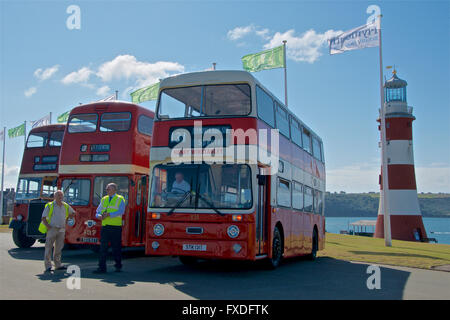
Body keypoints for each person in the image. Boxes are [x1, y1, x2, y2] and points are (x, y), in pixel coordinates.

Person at [40, 190, 76, 273]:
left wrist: (69, 217)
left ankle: (58, 264)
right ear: (54, 197)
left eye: (61, 195)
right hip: (52, 228)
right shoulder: (50, 205)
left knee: (59, 248)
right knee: (48, 247)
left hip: (62, 229)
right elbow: (43, 217)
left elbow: (73, 213)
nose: (60, 197)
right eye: (58, 195)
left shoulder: (66, 205)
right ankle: (48, 266)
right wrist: (48, 227)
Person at [93, 183, 126, 273]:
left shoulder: (120, 199)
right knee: (103, 248)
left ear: (114, 190)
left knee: (116, 247)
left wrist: (109, 215)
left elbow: (121, 211)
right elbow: (97, 212)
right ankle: (102, 268)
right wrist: (99, 216)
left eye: (109, 189)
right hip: (105, 226)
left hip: (116, 227)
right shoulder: (104, 199)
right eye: (106, 189)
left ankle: (118, 265)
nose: (107, 190)